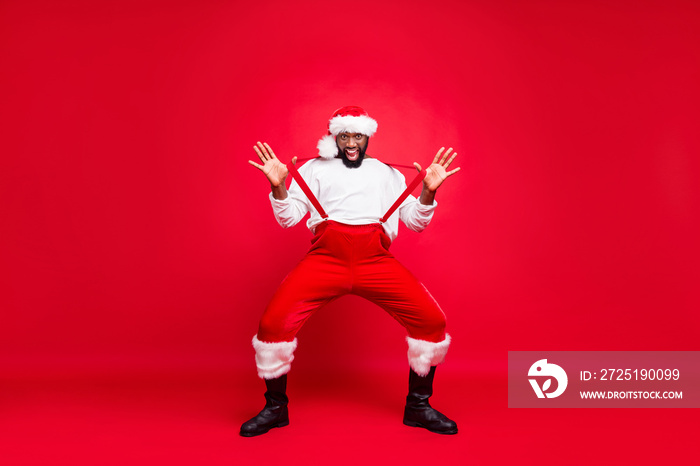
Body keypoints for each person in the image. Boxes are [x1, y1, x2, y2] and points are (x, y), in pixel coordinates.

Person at [241, 106, 460, 437]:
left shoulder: (388, 174)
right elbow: (288, 219)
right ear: (334, 137)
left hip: (375, 260)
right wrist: (277, 186)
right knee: (272, 325)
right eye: (344, 136)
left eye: (358, 136)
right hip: (325, 259)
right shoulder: (314, 169)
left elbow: (415, 222)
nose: (351, 143)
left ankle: (418, 407)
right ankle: (275, 409)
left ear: (368, 137)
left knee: (431, 320)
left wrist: (429, 190)